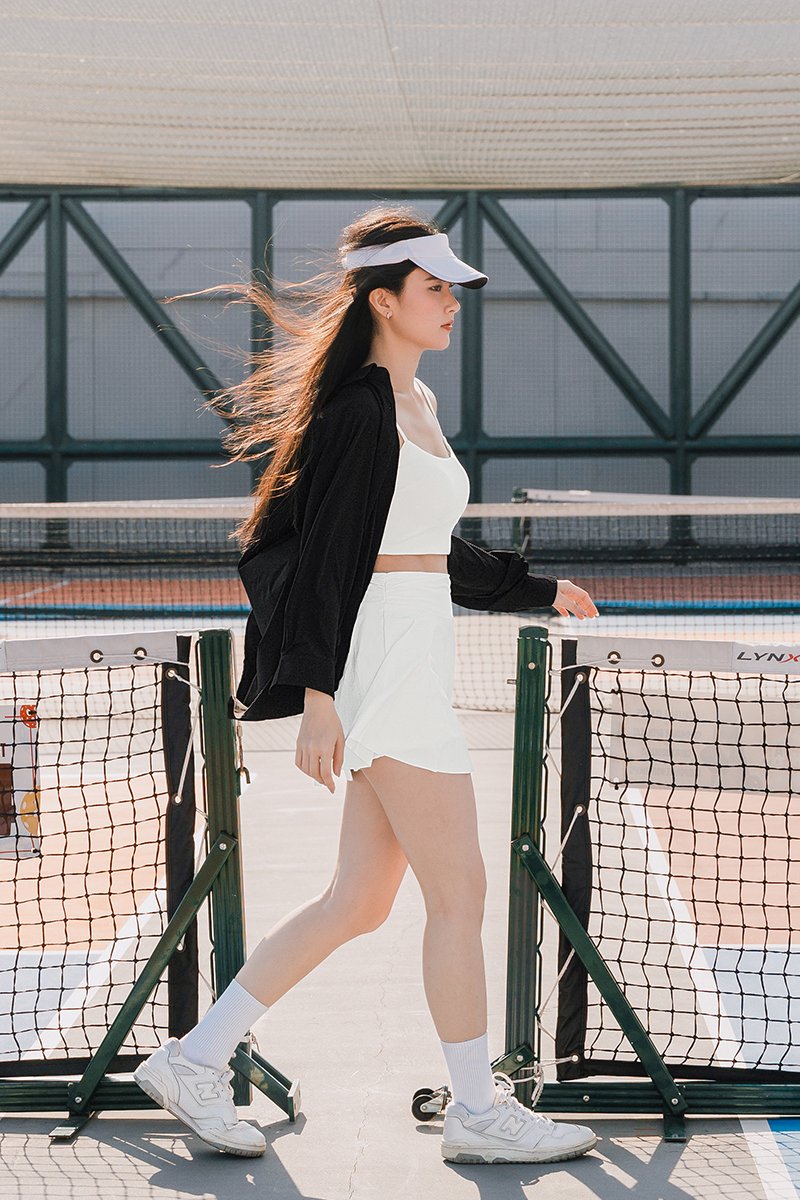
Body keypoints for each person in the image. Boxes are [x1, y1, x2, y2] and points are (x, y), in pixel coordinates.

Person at [134, 204, 600, 1166]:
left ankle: (195, 1057)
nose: (453, 303)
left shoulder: (413, 401)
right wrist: (318, 696)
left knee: (358, 901)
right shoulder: (359, 409)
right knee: (461, 891)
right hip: (382, 660)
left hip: (410, 646)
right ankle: (477, 1111)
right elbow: (329, 557)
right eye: (435, 289)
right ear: (384, 301)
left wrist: (536, 588)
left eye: (453, 290)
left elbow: (427, 548)